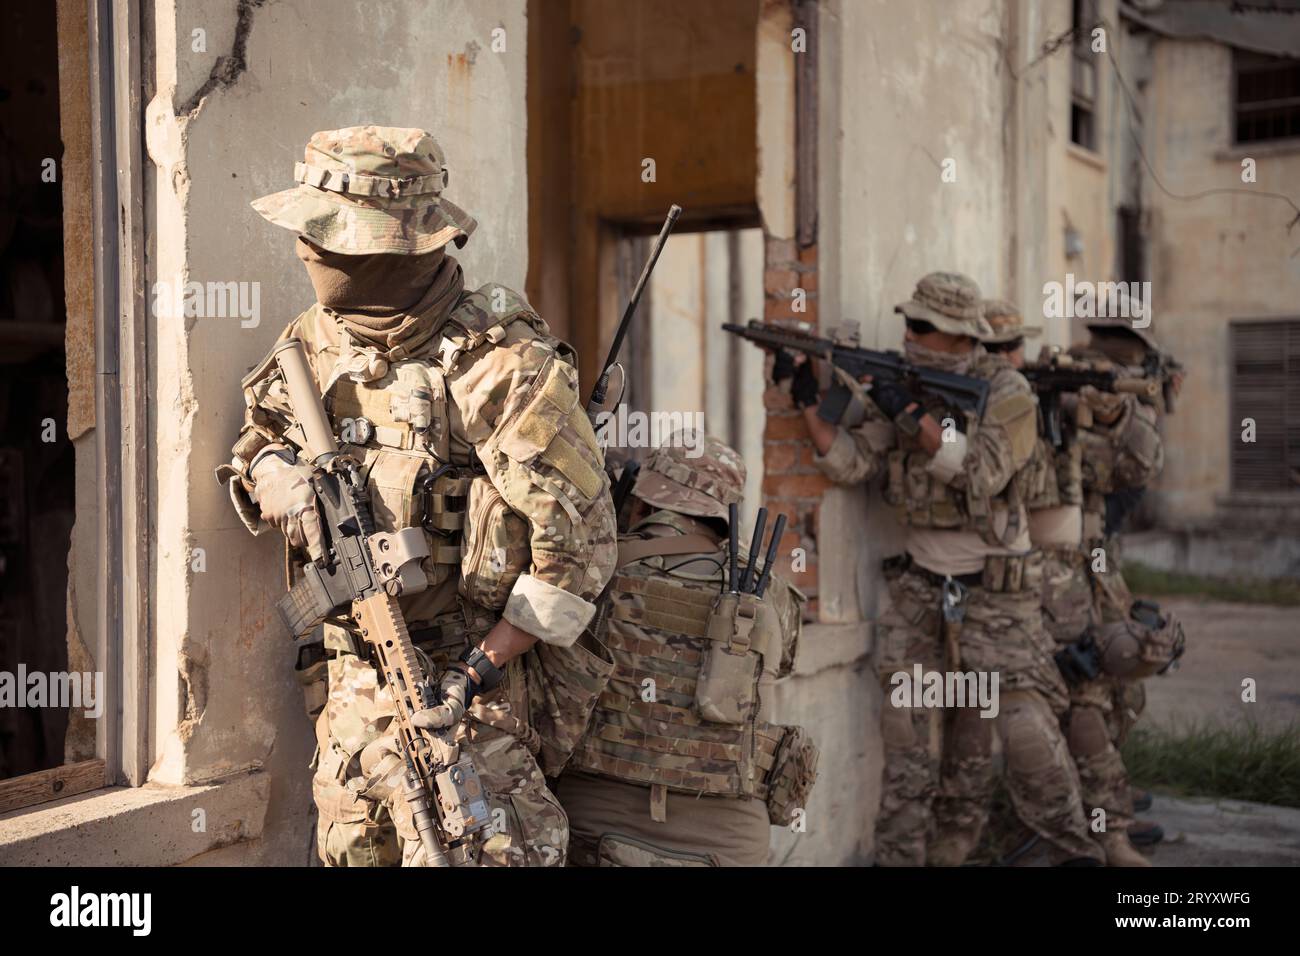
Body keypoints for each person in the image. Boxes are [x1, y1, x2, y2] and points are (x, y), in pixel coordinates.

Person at [217, 126, 617, 866]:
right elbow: (257, 441)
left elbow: (579, 552)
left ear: (392, 247)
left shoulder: (503, 367)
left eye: (328, 238)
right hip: (347, 710)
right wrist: (280, 479)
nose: (309, 253)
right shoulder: (314, 342)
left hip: (469, 712)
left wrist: (478, 673)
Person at [785, 272, 1101, 866]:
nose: (909, 335)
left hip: (998, 588)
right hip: (919, 584)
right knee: (905, 728)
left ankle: (1077, 847)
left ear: (960, 336)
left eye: (923, 327)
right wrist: (807, 398)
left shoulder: (1007, 392)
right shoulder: (908, 384)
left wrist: (911, 413)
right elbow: (851, 464)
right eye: (908, 322)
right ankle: (901, 856)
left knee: (1024, 729)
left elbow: (982, 472)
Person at [555, 433, 818, 866]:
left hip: (599, 815)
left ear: (641, 500)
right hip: (728, 834)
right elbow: (777, 667)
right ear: (725, 515)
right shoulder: (765, 590)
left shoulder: (595, 570)